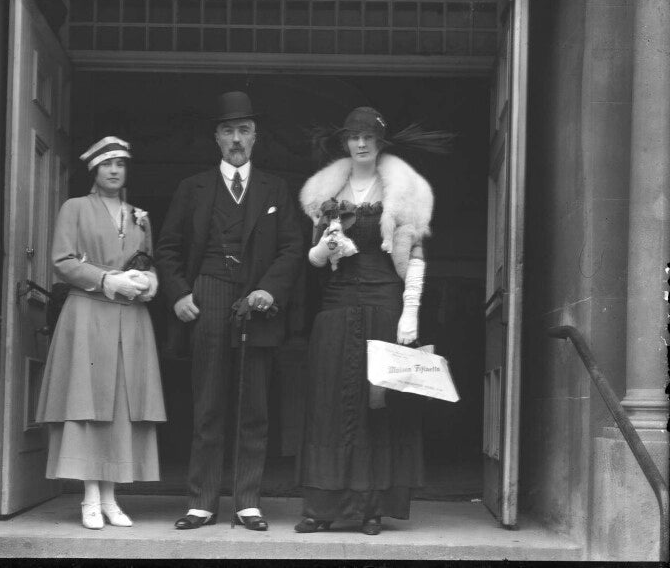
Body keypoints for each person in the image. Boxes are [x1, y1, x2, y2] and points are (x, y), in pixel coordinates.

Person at [155, 91, 303, 532]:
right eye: (228, 131)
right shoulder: (193, 188)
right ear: (216, 138)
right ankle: (201, 502)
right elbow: (168, 248)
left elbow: (292, 247)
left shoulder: (275, 189)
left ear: (255, 137)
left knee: (253, 405)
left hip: (256, 301)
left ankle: (247, 501)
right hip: (208, 296)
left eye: (244, 130)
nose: (236, 139)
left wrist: (269, 290)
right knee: (208, 403)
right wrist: (179, 294)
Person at [295, 106, 434, 535]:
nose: (360, 144)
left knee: (377, 406)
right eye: (354, 137)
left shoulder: (403, 191)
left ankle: (372, 508)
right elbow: (314, 259)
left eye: (368, 138)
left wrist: (410, 313)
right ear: (344, 143)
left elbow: (414, 258)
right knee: (331, 404)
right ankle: (322, 508)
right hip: (337, 307)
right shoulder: (327, 192)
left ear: (379, 143)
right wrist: (328, 247)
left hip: (383, 303)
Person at [35, 136, 167, 530]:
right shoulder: (75, 208)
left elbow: (147, 261)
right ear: (94, 170)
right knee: (87, 405)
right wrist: (108, 279)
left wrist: (148, 281)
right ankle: (89, 497)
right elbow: (62, 261)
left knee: (122, 407)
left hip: (130, 318)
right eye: (106, 164)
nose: (114, 170)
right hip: (89, 313)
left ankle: (110, 497)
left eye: (120, 164)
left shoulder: (139, 216)